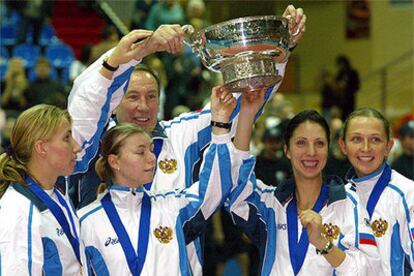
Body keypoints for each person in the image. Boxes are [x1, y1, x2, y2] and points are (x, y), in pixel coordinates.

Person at [68, 6, 306, 274]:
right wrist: (134, 53)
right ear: (114, 100)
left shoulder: (180, 134)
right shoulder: (91, 143)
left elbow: (246, 99)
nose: (144, 106)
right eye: (132, 96)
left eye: (151, 96)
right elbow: (85, 103)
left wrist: (277, 52)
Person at [77, 87, 245, 275]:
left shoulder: (172, 205)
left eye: (151, 150)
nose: (152, 158)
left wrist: (221, 126)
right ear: (114, 161)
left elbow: (215, 188)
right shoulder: (86, 221)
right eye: (141, 152)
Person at [226, 109, 382, 275]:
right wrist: (247, 114)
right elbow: (236, 187)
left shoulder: (349, 203)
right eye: (301, 143)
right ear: (287, 150)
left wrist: (323, 244)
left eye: (319, 143)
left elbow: (370, 271)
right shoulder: (271, 204)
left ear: (328, 150)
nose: (311, 152)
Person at [0, 104, 83, 275]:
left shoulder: (56, 190)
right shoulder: (19, 210)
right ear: (41, 148)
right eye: (67, 138)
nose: (76, 147)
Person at [339, 108, 414, 274]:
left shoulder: (407, 194)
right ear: (343, 146)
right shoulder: (340, 198)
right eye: (356, 139)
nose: (366, 148)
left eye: (375, 139)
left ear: (388, 146)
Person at [335, 55, 360, 120]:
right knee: (342, 117)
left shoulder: (352, 73)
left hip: (349, 97)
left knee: (351, 115)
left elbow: (357, 85)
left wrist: (347, 86)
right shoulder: (340, 73)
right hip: (341, 98)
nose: (340, 66)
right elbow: (336, 84)